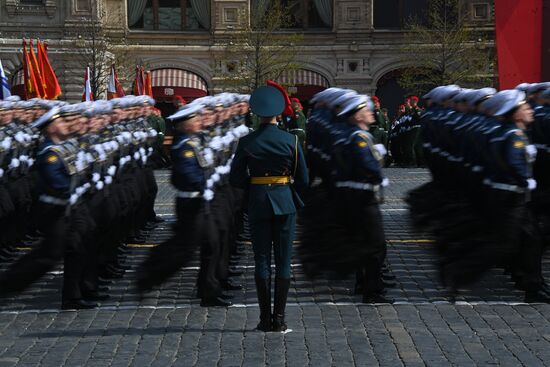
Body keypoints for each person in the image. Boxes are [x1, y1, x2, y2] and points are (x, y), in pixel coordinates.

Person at [229, 85, 308, 332]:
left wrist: (254, 189)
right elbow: (303, 178)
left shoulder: (247, 141)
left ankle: (264, 319)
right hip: (284, 201)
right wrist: (291, 196)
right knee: (284, 261)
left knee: (261, 260)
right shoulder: (291, 140)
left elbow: (235, 178)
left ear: (257, 112)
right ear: (278, 113)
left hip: (258, 202)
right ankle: (280, 319)